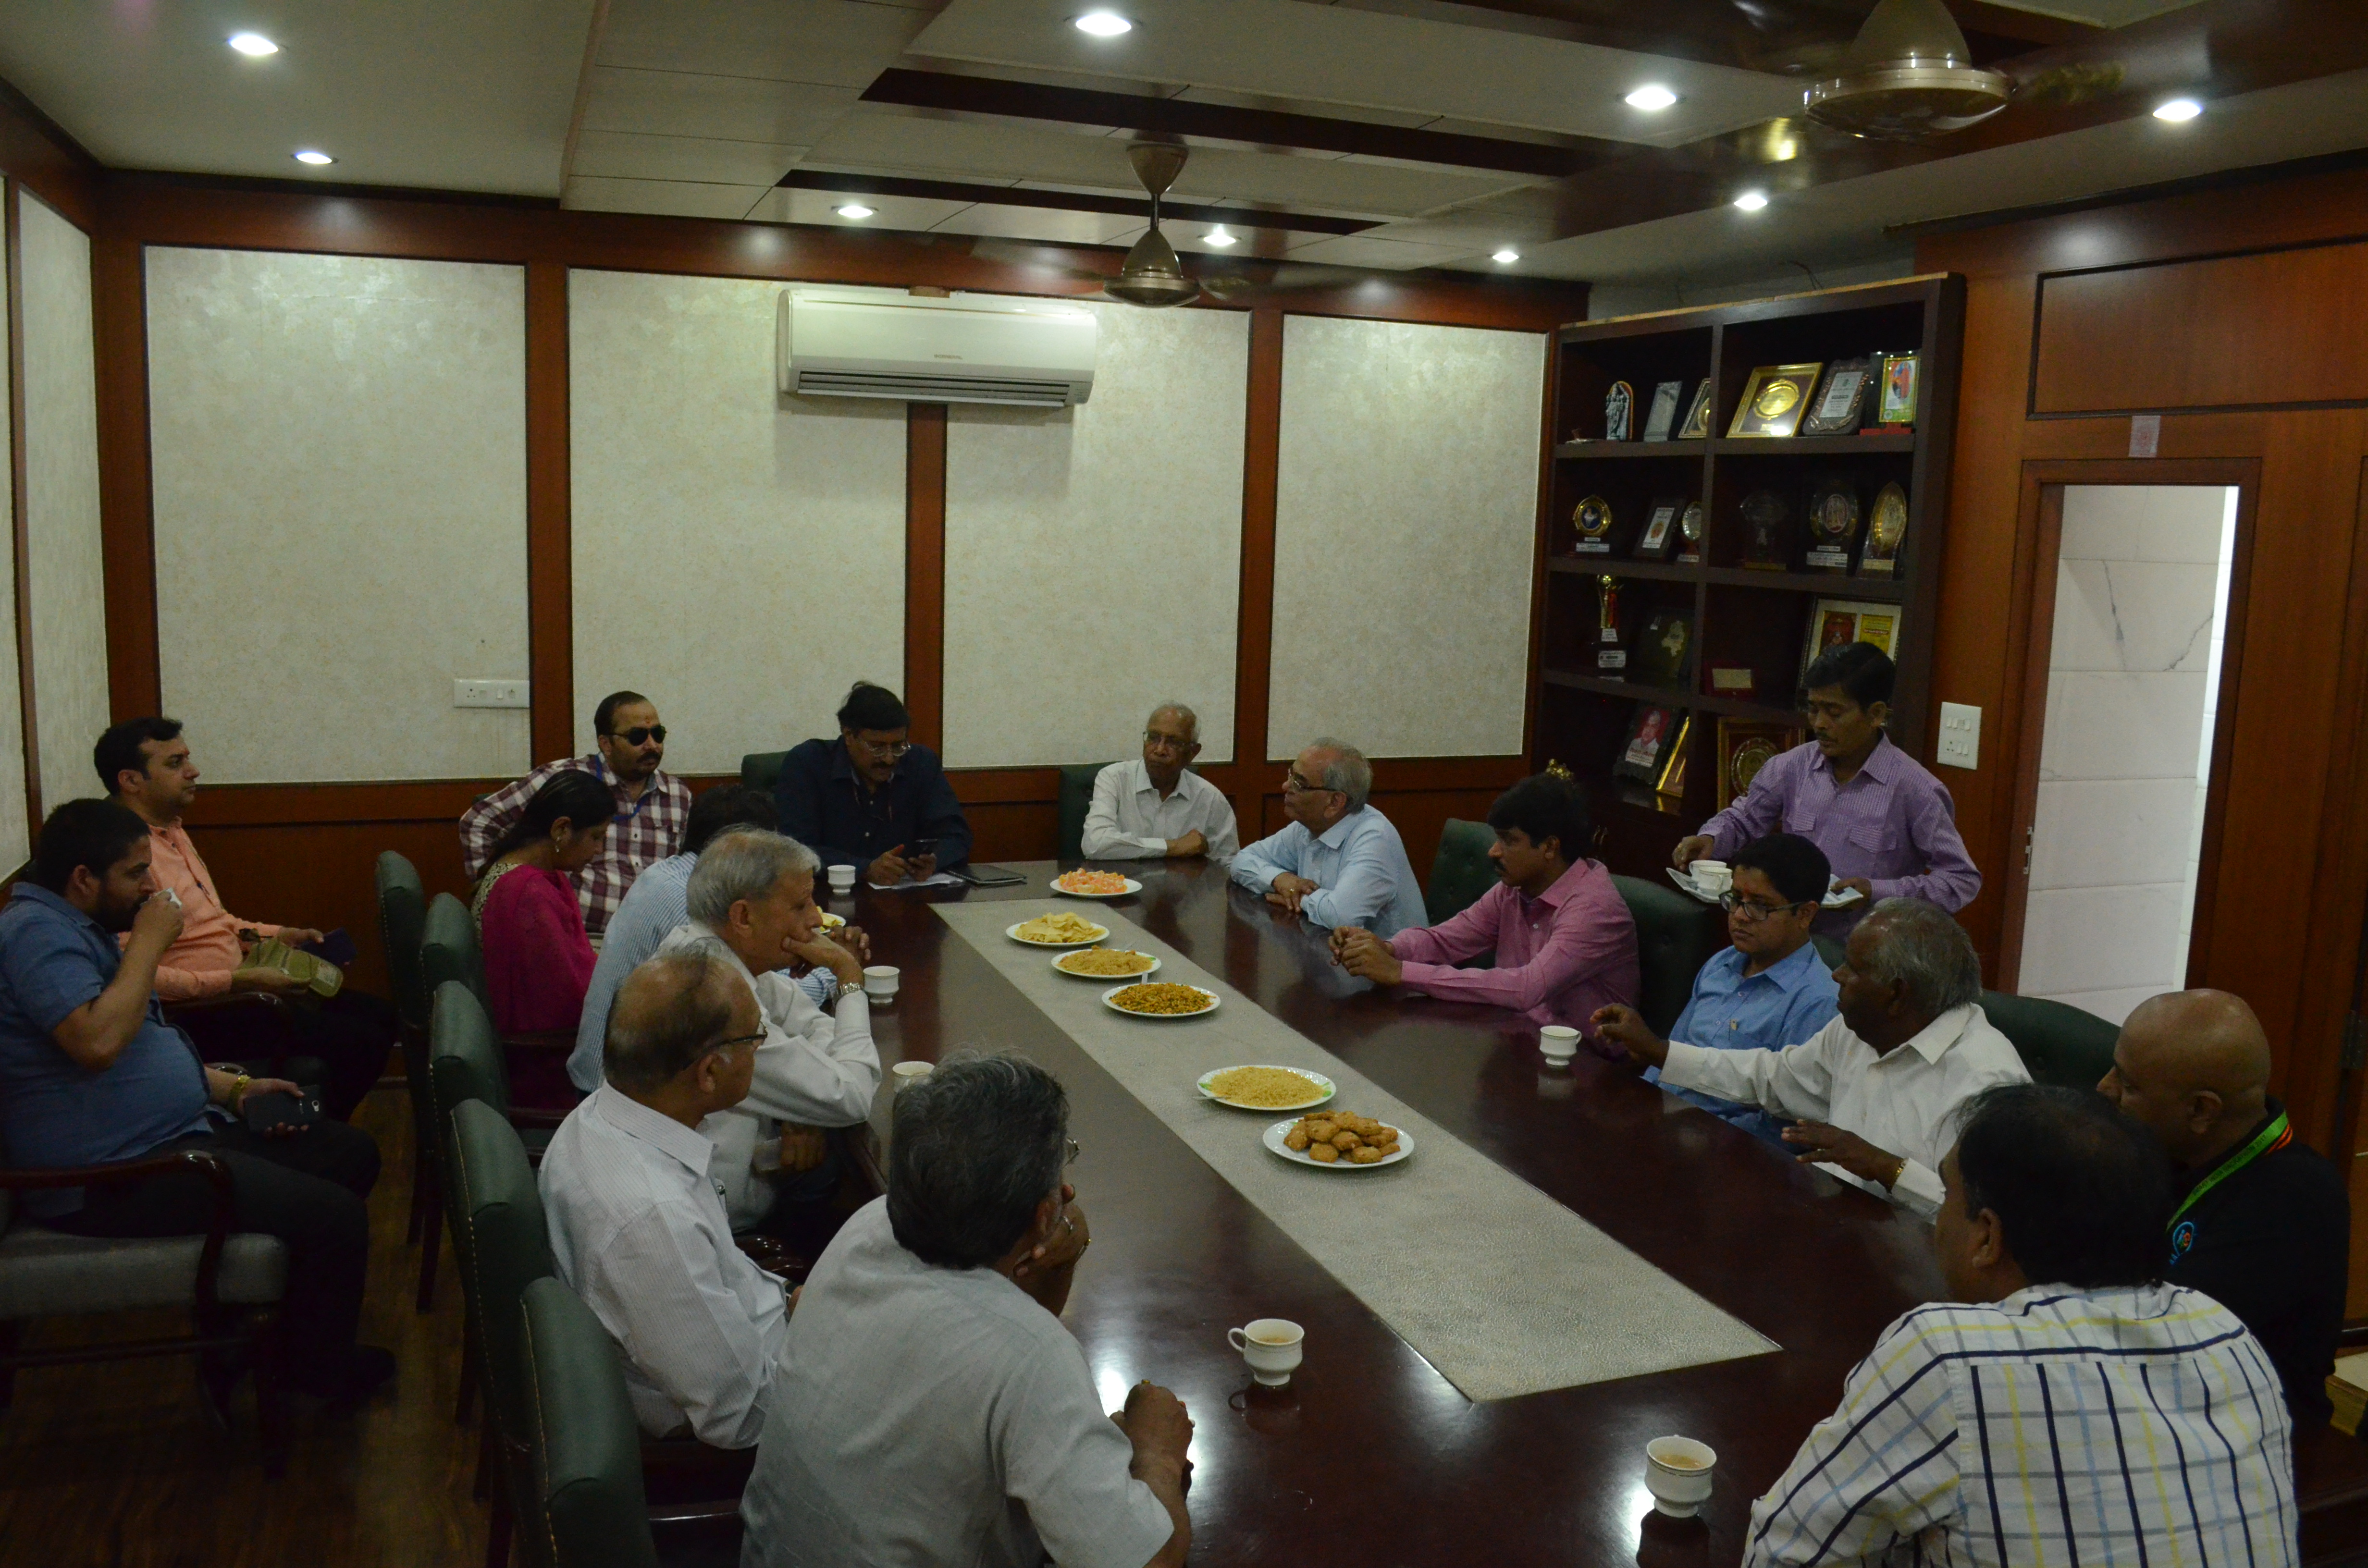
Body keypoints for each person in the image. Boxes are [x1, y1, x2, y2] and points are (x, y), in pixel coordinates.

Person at [1745, 1083, 2296, 1568]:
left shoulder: (1951, 1357)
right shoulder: (2228, 1334)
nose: (1937, 1222)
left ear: (1986, 1236)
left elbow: (1782, 1554)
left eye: (1947, 1196)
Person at [0, 799, 392, 1403]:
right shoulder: (34, 935)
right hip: (111, 1174)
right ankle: (312, 1375)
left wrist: (238, 1090)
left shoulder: (75, 924)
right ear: (83, 879)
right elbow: (98, 1043)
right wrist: (147, 945)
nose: (149, 887)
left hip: (174, 1130)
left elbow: (141, 1047)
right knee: (334, 1216)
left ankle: (259, 1338)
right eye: (136, 873)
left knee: (348, 1151)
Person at [740, 1052, 1192, 1568]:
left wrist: (1055, 1251)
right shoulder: (1033, 1359)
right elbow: (1150, 1561)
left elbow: (1004, 1322)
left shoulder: (867, 1226)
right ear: (1045, 1211)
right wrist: (1158, 1455)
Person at [1593, 898, 2028, 1213]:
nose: (1836, 975)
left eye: (1853, 969)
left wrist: (1889, 1169)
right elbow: (1770, 1078)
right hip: (1837, 1229)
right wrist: (1661, 1052)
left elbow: (1986, 1223)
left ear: (1897, 994)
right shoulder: (1859, 1028)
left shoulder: (1986, 1082)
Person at [540, 944, 789, 1447]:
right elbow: (744, 1416)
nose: (760, 1047)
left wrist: (791, 1305)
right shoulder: (655, 1222)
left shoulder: (604, 1113)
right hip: (755, 1425)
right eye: (754, 1037)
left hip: (755, 1335)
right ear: (709, 1072)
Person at [95, 717, 399, 1121]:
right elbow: (130, 969)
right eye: (174, 763)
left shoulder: (171, 829)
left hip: (242, 984)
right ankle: (303, 1127)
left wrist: (280, 935)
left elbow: (216, 921)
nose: (193, 771)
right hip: (203, 1010)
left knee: (381, 1016)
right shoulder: (121, 855)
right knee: (358, 1041)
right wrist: (237, 982)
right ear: (131, 780)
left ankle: (308, 1125)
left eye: (187, 759)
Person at [2101, 988, 2348, 1429]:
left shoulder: (2291, 1201)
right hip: (2160, 1404)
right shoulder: (2169, 1152)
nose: (2104, 1089)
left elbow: (2157, 1339)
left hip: (2244, 1436)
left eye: (2129, 1084)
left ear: (2201, 1110)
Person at [654, 830, 878, 1235]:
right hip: (717, 1218)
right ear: (743, 917)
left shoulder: (713, 952)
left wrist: (802, 1106)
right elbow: (853, 1097)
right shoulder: (713, 996)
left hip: (744, 1162)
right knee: (859, 1182)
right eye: (800, 905)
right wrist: (848, 975)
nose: (816, 919)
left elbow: (814, 1024)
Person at [1672, 642, 1978, 933]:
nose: (1819, 724)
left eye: (1834, 713)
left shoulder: (1916, 790)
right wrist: (1710, 839)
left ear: (1876, 714)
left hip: (1865, 951)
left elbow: (1960, 880)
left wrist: (1877, 892)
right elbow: (1745, 820)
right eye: (1813, 709)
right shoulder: (1791, 767)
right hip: (1791, 940)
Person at [1330, 772, 1637, 1038]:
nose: (1493, 852)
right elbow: (1445, 940)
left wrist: (1400, 971)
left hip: (1587, 1065)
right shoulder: (1514, 889)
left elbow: (1527, 988)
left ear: (1549, 847)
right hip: (1518, 1037)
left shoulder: (1594, 909)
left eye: (1508, 841)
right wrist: (1387, 949)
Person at [566, 785, 792, 1094]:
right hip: (614, 1091)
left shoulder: (665, 874)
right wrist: (834, 973)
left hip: (615, 1073)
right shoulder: (692, 901)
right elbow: (745, 1004)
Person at [1642, 833, 1843, 1142]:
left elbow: (1783, 1124)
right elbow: (1673, 1052)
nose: (1738, 916)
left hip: (1720, 1146)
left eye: (1760, 907)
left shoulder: (1817, 1001)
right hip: (1661, 1119)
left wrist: (1693, 1138)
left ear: (1805, 914)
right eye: (1735, 899)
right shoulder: (1722, 963)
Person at [458, 690, 691, 936]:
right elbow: (477, 822)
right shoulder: (566, 780)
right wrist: (495, 894)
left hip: (659, 935)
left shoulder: (678, 795)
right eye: (638, 737)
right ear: (606, 744)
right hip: (578, 933)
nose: (652, 745)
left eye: (658, 734)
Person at [473, 770, 615, 1107]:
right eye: (596, 837)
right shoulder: (529, 896)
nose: (599, 850)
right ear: (561, 829)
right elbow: (563, 1003)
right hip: (542, 1068)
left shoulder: (524, 870)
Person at [773, 681, 971, 886]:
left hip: (907, 894)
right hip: (827, 895)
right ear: (849, 735)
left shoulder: (921, 764)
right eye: (877, 747)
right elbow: (793, 849)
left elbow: (956, 835)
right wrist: (864, 869)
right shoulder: (808, 763)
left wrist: (935, 859)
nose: (889, 759)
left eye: (898, 746)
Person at [1230, 739, 1425, 938]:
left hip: (1391, 955)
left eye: (1300, 784)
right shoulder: (1307, 826)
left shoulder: (1375, 837)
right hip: (1325, 946)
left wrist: (1298, 897)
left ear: (1335, 802)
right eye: (1291, 775)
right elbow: (1241, 861)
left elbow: (1341, 917)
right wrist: (1279, 879)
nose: (1285, 786)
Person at [1080, 704, 1239, 864]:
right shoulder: (1115, 779)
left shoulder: (1210, 799)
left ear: (1193, 753)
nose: (1160, 750)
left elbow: (1227, 865)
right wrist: (1174, 846)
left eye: (1173, 742)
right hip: (1120, 880)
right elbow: (1095, 844)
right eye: (1153, 738)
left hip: (1182, 882)